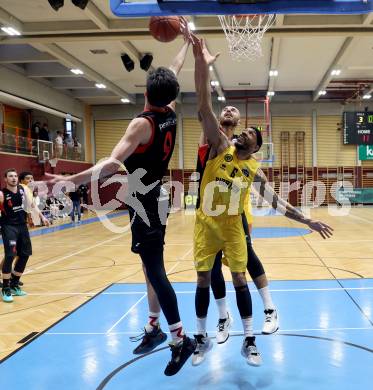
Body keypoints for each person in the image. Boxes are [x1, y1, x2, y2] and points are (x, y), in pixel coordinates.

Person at [42, 27, 196, 376]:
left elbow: (111, 164)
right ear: (170, 93)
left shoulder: (141, 124)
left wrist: (70, 180)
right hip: (153, 195)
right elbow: (173, 69)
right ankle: (156, 328)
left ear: (145, 92)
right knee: (148, 266)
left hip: (146, 199)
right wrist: (185, 47)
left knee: (156, 271)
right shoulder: (170, 112)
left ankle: (179, 339)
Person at [191, 38, 333, 367]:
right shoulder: (218, 144)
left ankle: (250, 340)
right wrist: (203, 65)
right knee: (203, 278)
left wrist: (308, 220)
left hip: (231, 225)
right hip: (205, 221)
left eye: (252, 134)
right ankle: (201, 339)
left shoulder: (255, 170)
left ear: (256, 147)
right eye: (245, 131)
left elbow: (280, 204)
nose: (245, 133)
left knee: (240, 277)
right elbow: (202, 104)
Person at [0, 169, 49, 302]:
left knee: (25, 254)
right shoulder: (2, 194)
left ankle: (15, 284)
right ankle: (5, 288)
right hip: (8, 226)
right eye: (10, 176)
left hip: (22, 226)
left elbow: (32, 205)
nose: (14, 178)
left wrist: (42, 217)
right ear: (5, 179)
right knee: (10, 255)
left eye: (15, 176)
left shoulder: (23, 190)